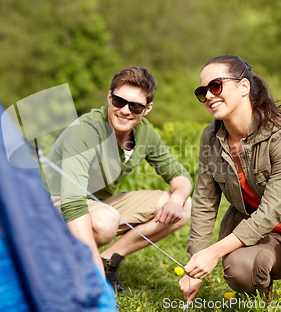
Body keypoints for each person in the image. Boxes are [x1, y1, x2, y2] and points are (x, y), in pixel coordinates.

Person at [179, 55, 281, 312]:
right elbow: (204, 201)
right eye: (202, 92)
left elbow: (271, 211)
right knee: (238, 270)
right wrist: (195, 264)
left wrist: (213, 252)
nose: (209, 96)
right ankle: (263, 286)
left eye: (216, 86)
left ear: (243, 86)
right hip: (262, 241)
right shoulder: (210, 137)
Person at [44, 66, 192, 293]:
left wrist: (177, 198)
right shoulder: (85, 131)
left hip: (94, 204)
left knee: (186, 205)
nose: (125, 110)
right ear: (109, 97)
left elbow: (179, 175)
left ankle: (107, 260)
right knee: (105, 223)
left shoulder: (145, 133)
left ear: (147, 108)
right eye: (119, 102)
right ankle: (70, 267)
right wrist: (95, 276)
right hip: (52, 206)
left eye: (135, 106)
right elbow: (72, 202)